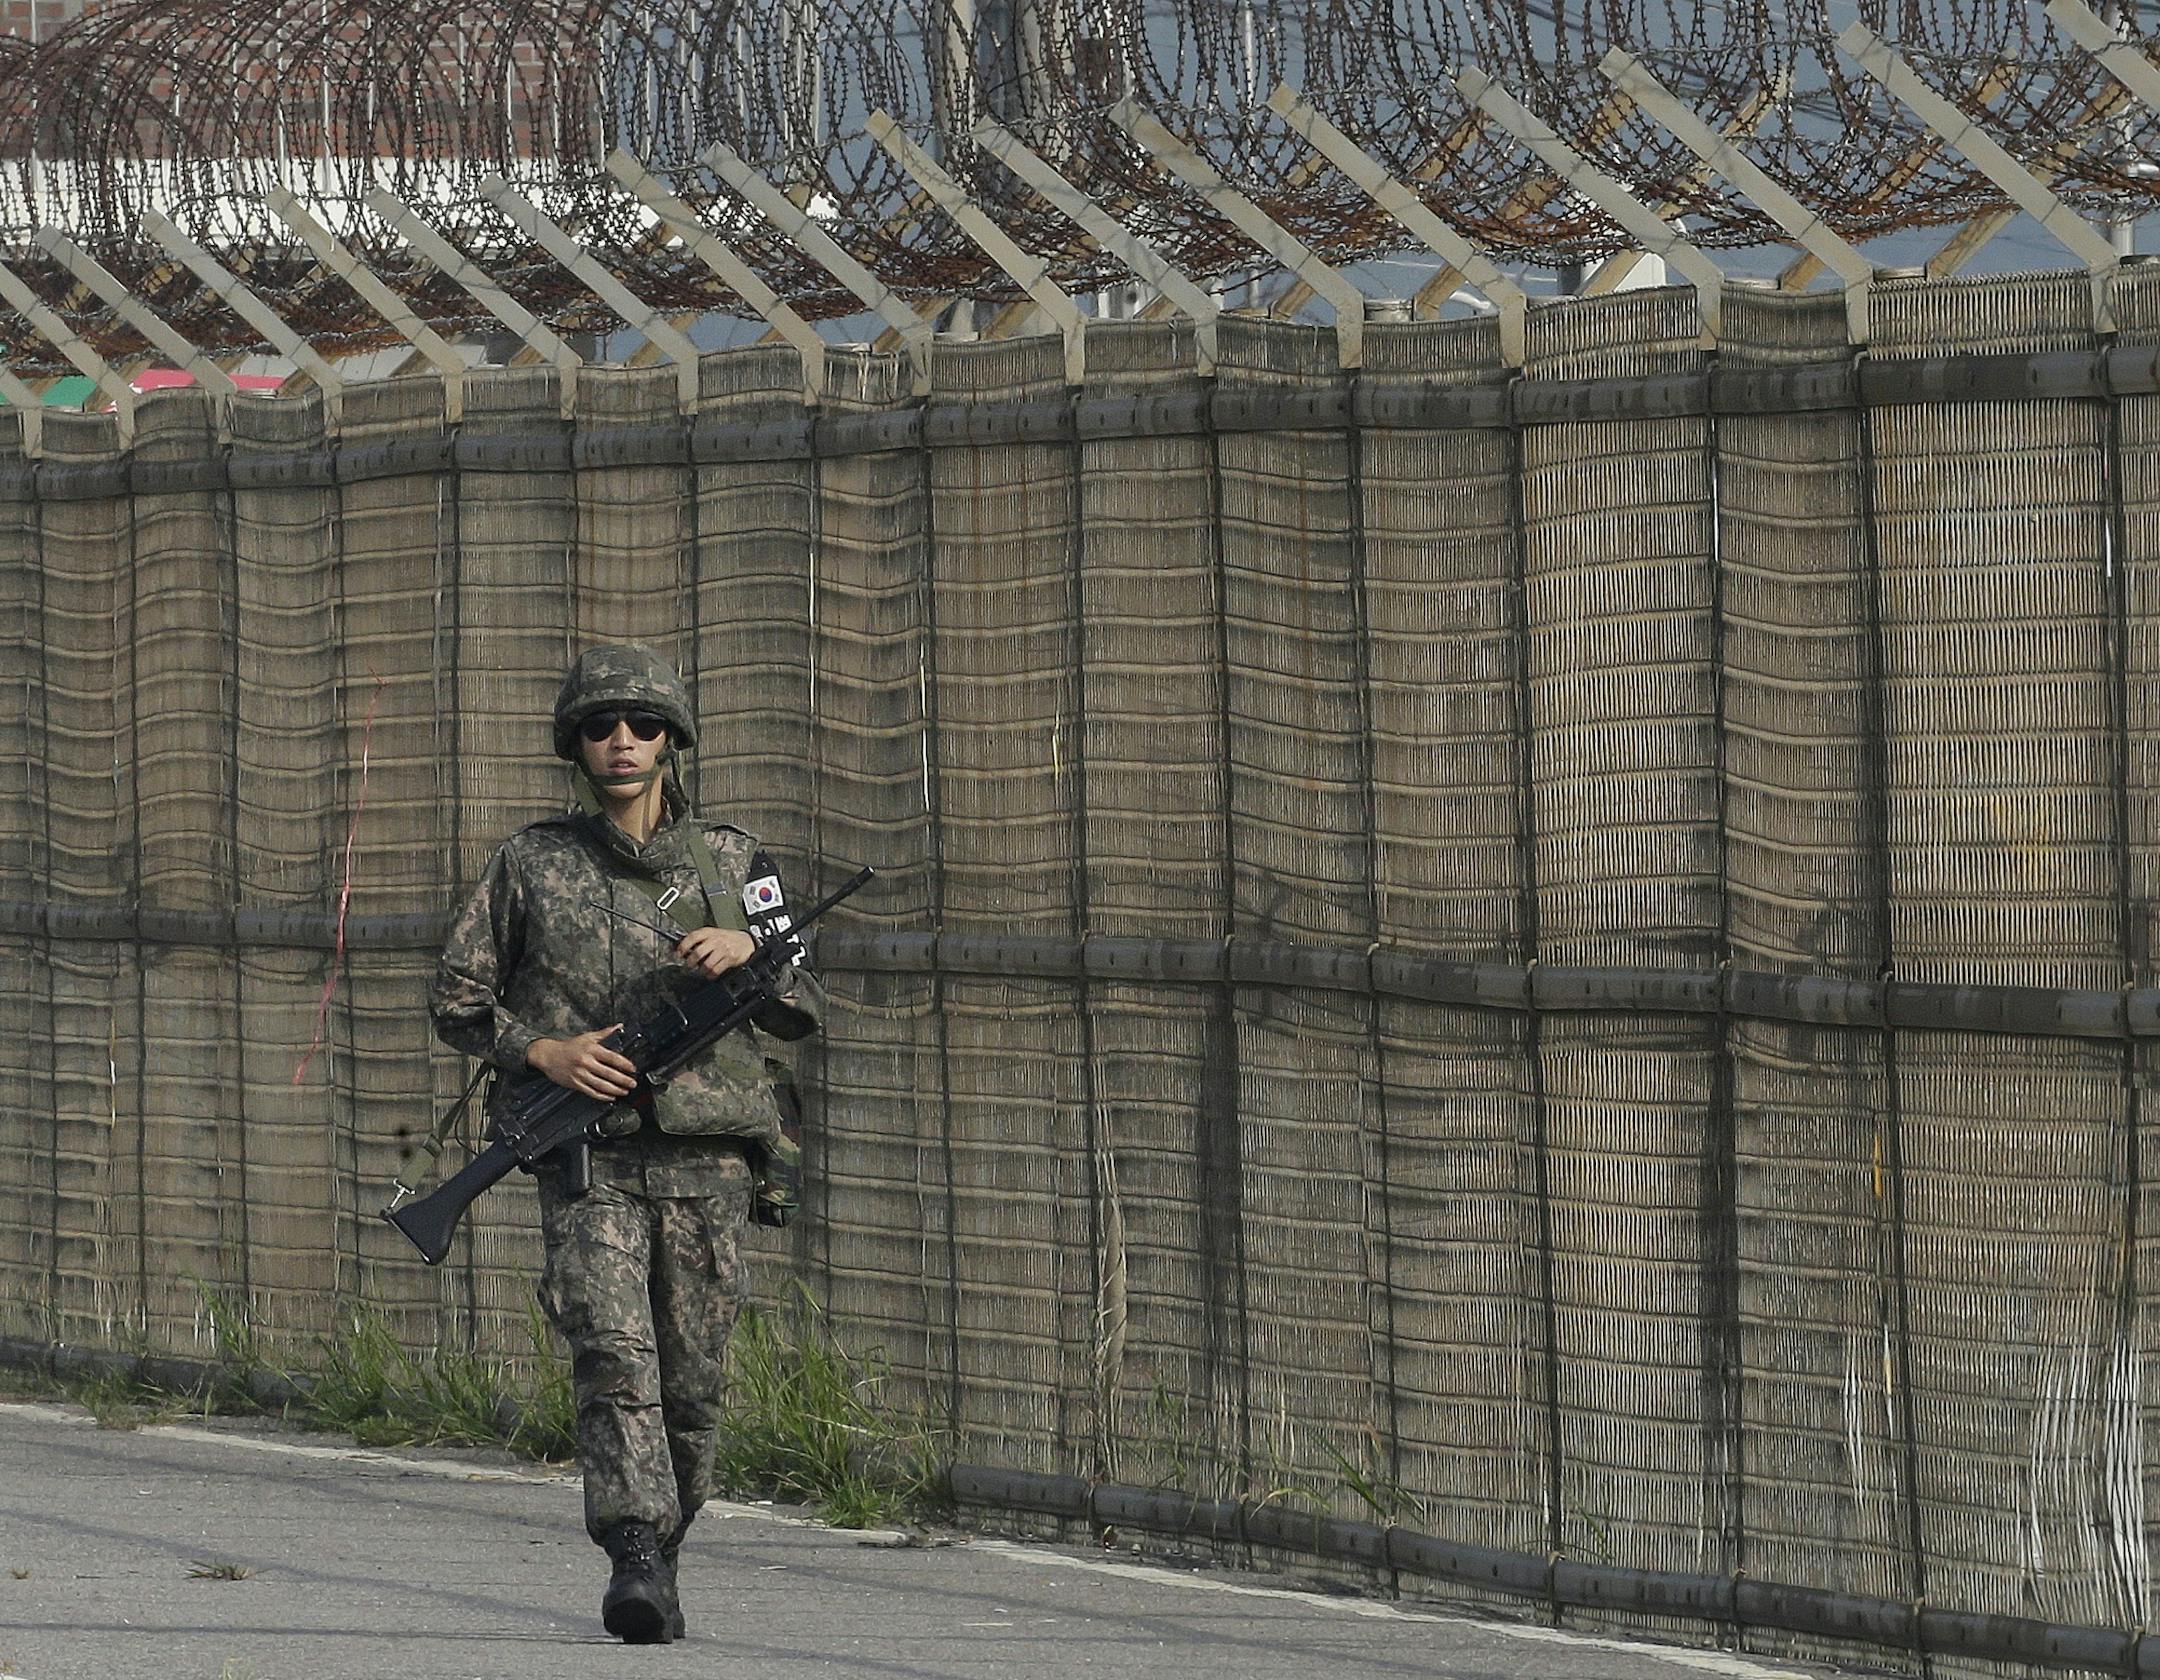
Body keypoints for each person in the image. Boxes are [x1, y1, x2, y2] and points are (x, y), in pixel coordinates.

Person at [429, 643, 822, 1645]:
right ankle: (634, 1551)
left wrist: (753, 953)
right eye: (601, 727)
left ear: (672, 741)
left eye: (642, 726)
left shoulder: (735, 864)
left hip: (709, 1162)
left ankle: (668, 1544)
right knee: (612, 1357)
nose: (621, 742)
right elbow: (460, 1002)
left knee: (693, 1382)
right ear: (576, 745)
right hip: (589, 1159)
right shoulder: (529, 864)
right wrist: (548, 1053)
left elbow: (800, 1006)